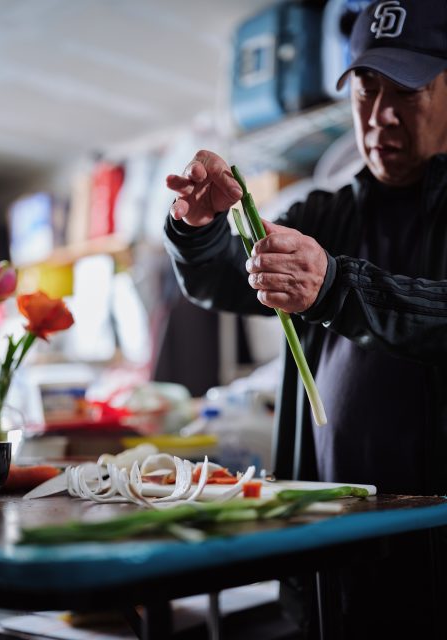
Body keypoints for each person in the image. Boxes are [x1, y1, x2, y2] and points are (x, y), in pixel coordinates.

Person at [164, 0, 447, 637]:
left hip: (436, 551)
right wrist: (200, 229)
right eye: (367, 90)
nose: (380, 117)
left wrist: (337, 287)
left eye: (408, 91)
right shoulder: (326, 213)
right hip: (333, 547)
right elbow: (222, 280)